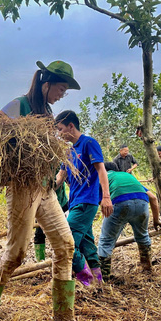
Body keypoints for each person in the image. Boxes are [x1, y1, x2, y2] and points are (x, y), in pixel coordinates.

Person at [0, 60, 85, 321]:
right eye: (60, 88)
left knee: (66, 246)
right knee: (16, 253)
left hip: (46, 189)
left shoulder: (48, 113)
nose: (62, 95)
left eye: (64, 91)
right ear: (45, 83)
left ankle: (64, 317)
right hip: (24, 188)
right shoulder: (20, 105)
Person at [55, 110, 113, 287]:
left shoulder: (88, 143)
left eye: (60, 129)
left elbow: (101, 169)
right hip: (75, 203)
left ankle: (86, 281)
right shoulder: (68, 151)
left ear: (71, 126)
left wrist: (106, 197)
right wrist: (47, 186)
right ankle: (99, 282)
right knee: (87, 243)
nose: (58, 133)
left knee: (66, 243)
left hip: (87, 201)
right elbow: (61, 175)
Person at [97, 162, 161, 280]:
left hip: (119, 203)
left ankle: (104, 279)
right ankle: (147, 269)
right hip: (142, 203)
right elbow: (153, 198)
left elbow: (101, 203)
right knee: (143, 236)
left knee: (106, 241)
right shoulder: (128, 176)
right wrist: (156, 220)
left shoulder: (103, 178)